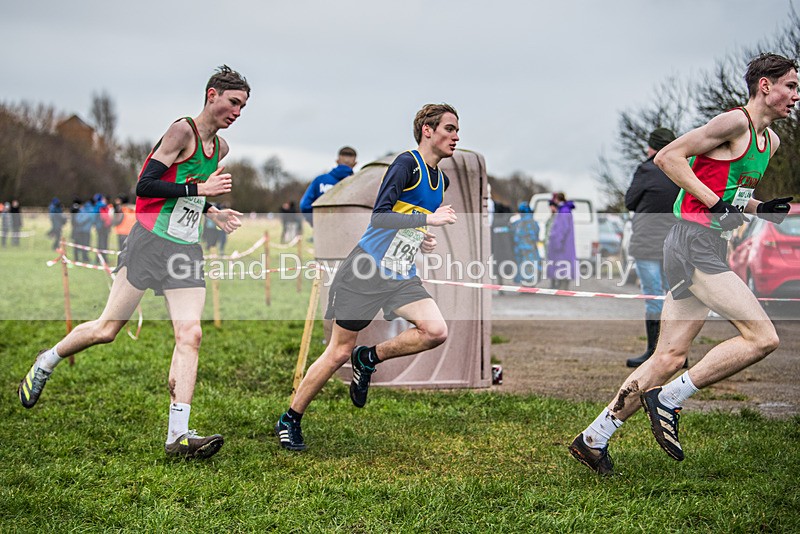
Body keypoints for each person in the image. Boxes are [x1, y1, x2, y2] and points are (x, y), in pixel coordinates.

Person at [569, 53, 797, 475]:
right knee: (763, 337)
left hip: (703, 243)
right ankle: (669, 398)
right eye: (790, 86)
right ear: (765, 86)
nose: (795, 96)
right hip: (693, 241)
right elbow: (668, 158)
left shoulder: (771, 142)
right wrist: (717, 204)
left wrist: (762, 207)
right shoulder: (734, 123)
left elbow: (732, 193)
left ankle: (593, 438)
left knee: (669, 357)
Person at [18, 65, 250, 460]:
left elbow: (187, 195)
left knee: (191, 334)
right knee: (107, 329)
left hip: (185, 247)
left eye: (243, 107)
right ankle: (47, 360)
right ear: (212, 95)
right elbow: (144, 186)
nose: (238, 112)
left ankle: (178, 435)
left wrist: (210, 209)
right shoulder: (181, 132)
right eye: (233, 102)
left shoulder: (221, 150)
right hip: (148, 241)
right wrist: (200, 188)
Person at [275, 103, 460, 451]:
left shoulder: (441, 180)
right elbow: (380, 218)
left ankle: (370, 357)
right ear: (427, 130)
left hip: (401, 273)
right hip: (367, 270)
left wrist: (423, 238)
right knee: (338, 352)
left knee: (435, 331)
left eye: (457, 129)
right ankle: (290, 419)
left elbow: (409, 220)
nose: (456, 136)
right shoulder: (407, 164)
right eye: (449, 128)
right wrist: (427, 222)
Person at [623, 128, 680, 367]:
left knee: (654, 299)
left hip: (647, 243)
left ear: (652, 147)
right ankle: (678, 353)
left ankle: (654, 354)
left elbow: (630, 201)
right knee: (674, 297)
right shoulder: (682, 168)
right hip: (676, 243)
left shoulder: (646, 169)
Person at [299, 146, 357, 226]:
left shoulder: (320, 181)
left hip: (323, 227)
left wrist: (316, 222)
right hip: (350, 228)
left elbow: (305, 205)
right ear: (355, 164)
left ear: (337, 161)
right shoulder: (357, 183)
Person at [545, 192, 576, 290]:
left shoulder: (563, 212)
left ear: (557, 200)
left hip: (562, 245)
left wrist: (556, 243)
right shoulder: (565, 210)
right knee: (564, 264)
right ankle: (563, 286)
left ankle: (563, 287)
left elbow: (561, 230)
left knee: (562, 265)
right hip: (565, 244)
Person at [510, 201, 541, 285]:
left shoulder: (518, 223)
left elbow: (514, 234)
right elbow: (536, 235)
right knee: (531, 265)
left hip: (521, 248)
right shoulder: (534, 222)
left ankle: (525, 284)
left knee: (523, 266)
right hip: (531, 247)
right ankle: (531, 284)